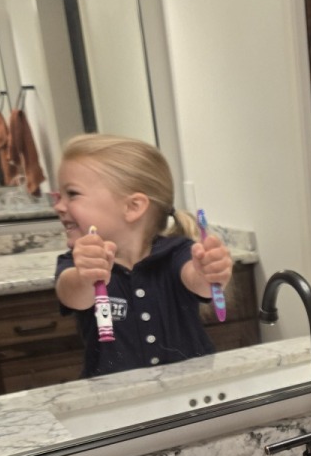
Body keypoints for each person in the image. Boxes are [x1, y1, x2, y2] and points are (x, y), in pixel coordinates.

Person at [53, 134, 232, 378]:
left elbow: (197, 282)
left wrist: (209, 272)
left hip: (192, 389)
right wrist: (85, 278)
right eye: (59, 196)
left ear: (133, 207)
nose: (59, 206)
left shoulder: (176, 253)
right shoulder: (76, 264)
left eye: (72, 194)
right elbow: (72, 294)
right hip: (116, 396)